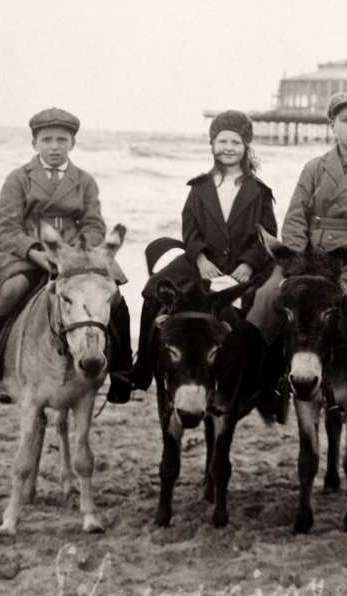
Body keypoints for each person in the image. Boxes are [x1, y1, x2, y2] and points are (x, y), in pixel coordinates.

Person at [0, 107, 131, 406]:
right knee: (9, 292)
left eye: (62, 140)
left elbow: (94, 223)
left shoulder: (84, 180)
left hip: (75, 255)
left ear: (72, 144)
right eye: (47, 140)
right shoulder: (18, 178)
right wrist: (37, 252)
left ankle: (121, 371)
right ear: (35, 144)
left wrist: (77, 253)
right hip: (26, 252)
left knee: (114, 295)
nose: (54, 147)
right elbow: (5, 227)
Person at [246, 90, 347, 375]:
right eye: (345, 119)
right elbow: (295, 219)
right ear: (332, 125)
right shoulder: (314, 168)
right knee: (265, 298)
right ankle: (265, 378)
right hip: (310, 260)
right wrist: (297, 264)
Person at [128, 110, 279, 408]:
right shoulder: (199, 188)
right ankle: (142, 369)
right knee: (153, 288)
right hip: (202, 261)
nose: (228, 147)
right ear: (212, 145)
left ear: (246, 146)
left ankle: (268, 382)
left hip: (243, 264)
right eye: (222, 141)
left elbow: (268, 234)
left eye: (235, 142)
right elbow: (190, 228)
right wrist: (199, 259)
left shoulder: (259, 191)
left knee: (269, 303)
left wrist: (248, 263)